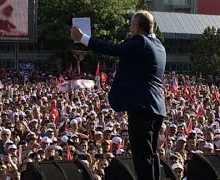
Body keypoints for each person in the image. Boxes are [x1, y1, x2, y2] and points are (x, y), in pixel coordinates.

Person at [71, 10, 166, 180]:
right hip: (155, 106)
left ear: (136, 27)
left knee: (142, 156)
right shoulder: (158, 44)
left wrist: (82, 38)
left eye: (131, 24)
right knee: (151, 154)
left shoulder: (140, 42)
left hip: (141, 106)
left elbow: (112, 50)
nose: (130, 27)